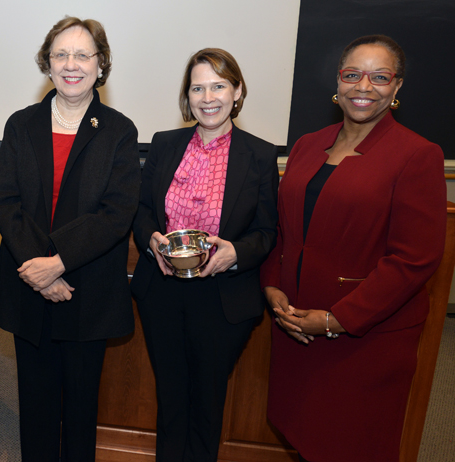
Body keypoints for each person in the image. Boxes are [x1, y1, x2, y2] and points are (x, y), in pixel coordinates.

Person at [261, 35, 447, 462]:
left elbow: (414, 260)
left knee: (351, 444)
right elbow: (284, 229)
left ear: (396, 87)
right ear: (338, 80)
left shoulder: (418, 155)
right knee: (304, 437)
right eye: (353, 75)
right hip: (295, 326)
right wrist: (272, 287)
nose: (364, 86)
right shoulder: (309, 144)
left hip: (362, 339)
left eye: (379, 77)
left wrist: (336, 320)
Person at [0, 16, 140, 461]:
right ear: (47, 63)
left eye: (82, 54)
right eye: (60, 54)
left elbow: (117, 212)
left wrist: (57, 263)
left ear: (100, 64)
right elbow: (5, 199)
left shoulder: (119, 130)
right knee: (35, 410)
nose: (71, 64)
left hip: (87, 291)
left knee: (79, 414)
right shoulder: (21, 124)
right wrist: (41, 270)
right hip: (28, 284)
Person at [130, 48, 279, 461]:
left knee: (207, 402)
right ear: (187, 95)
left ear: (237, 91)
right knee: (171, 397)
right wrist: (152, 240)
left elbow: (268, 231)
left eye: (218, 85)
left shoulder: (260, 155)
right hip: (162, 290)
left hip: (222, 297)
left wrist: (236, 252)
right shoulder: (164, 143)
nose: (208, 96)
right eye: (198, 87)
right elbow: (141, 211)